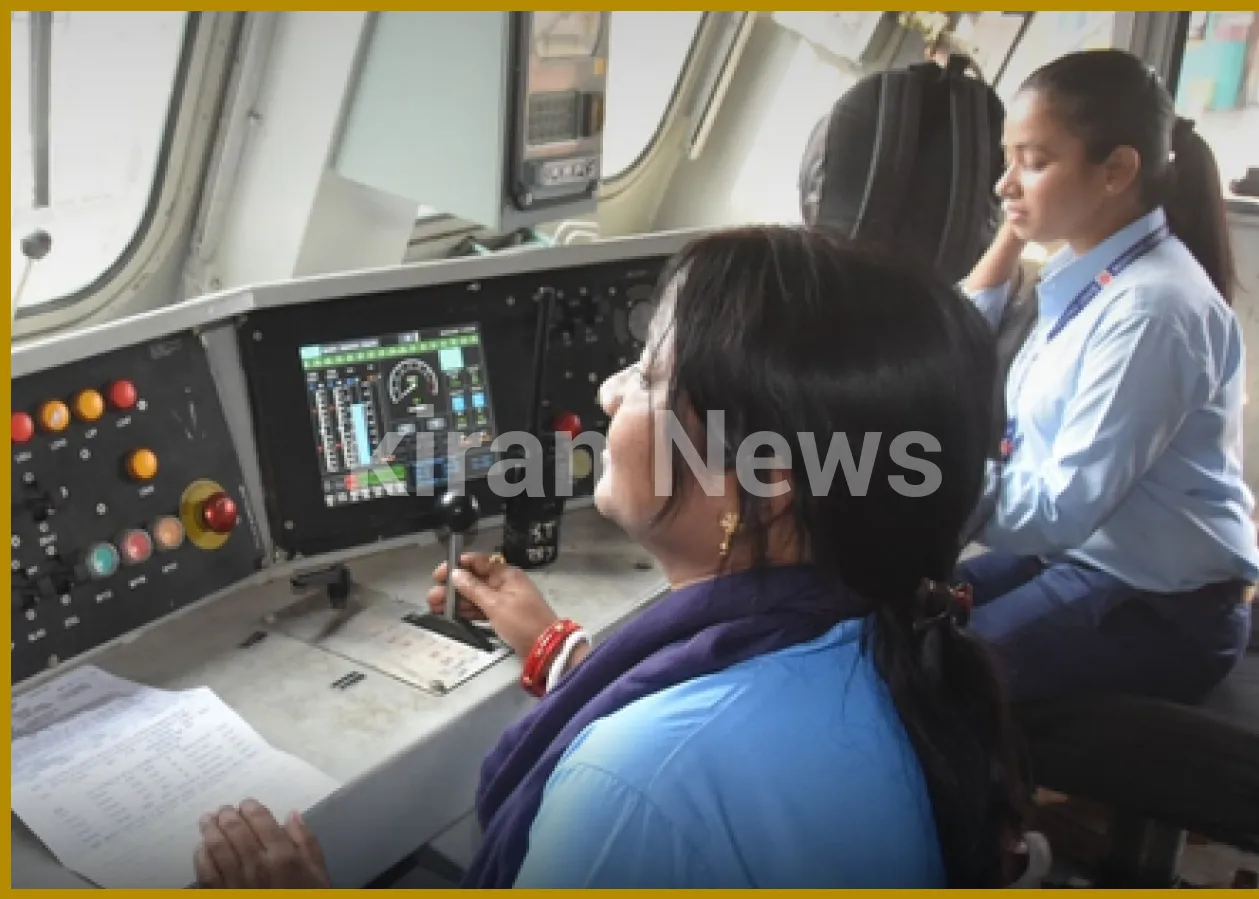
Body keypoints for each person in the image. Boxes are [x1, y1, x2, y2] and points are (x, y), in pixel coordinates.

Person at [190, 226, 1040, 888]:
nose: (608, 391)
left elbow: (681, 771)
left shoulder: (634, 788)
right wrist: (560, 650)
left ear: (769, 472)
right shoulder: (881, 631)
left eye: (650, 374)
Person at [959, 48, 1259, 705]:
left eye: (1034, 162)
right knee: (889, 620)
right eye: (1008, 158)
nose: (1002, 184)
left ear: (1117, 170)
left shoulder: (1152, 310)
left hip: (1161, 604)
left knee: (932, 673)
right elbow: (958, 336)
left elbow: (1058, 511)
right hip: (1090, 554)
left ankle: (984, 807)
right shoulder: (1093, 276)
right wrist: (1018, 226)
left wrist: (913, 483)